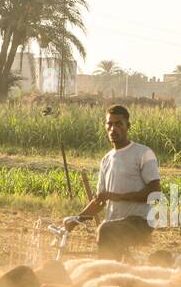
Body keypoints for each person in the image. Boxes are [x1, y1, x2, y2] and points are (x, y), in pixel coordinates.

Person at [65, 105, 162, 259]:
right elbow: (99, 201)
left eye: (118, 124)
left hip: (139, 223)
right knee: (110, 238)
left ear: (127, 126)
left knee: (105, 231)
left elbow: (155, 193)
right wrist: (76, 220)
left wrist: (115, 196)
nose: (113, 128)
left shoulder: (143, 153)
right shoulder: (106, 160)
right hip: (114, 225)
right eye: (109, 124)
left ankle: (105, 274)